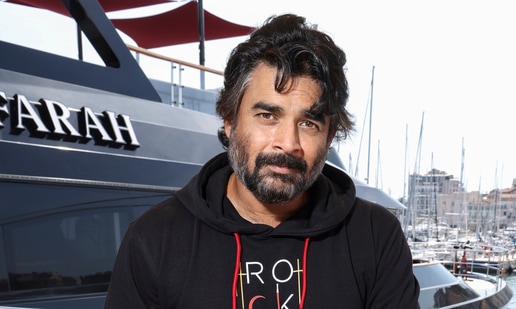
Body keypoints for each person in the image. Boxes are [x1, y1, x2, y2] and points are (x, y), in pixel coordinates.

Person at [104, 14, 419, 309]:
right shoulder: (155, 238)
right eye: (268, 115)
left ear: (329, 135)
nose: (288, 143)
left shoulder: (376, 236)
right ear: (230, 120)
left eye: (309, 123)